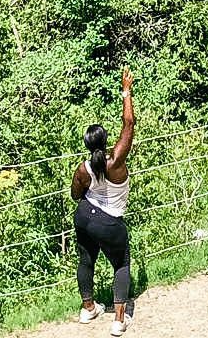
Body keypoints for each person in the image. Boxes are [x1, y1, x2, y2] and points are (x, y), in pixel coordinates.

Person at [71, 69, 135, 335]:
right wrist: (126, 90)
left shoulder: (83, 169)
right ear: (106, 140)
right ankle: (119, 320)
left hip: (85, 216)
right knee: (121, 263)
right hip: (109, 222)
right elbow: (129, 124)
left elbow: (76, 195)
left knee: (86, 260)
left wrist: (90, 198)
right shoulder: (116, 163)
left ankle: (88, 309)